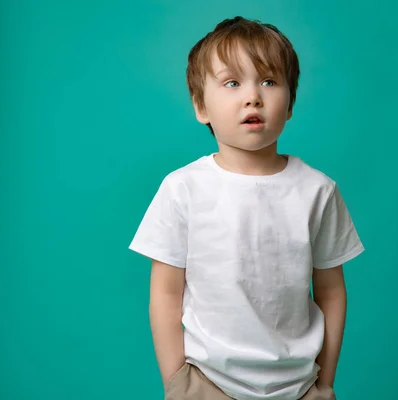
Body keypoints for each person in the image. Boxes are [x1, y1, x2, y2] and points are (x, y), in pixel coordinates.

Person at [129, 16, 364, 400]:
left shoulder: (317, 190)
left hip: (300, 385)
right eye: (232, 83)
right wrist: (177, 382)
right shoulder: (183, 189)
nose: (253, 96)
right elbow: (166, 293)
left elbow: (331, 291)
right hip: (207, 382)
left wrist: (325, 381)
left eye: (269, 81)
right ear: (201, 106)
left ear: (289, 104)